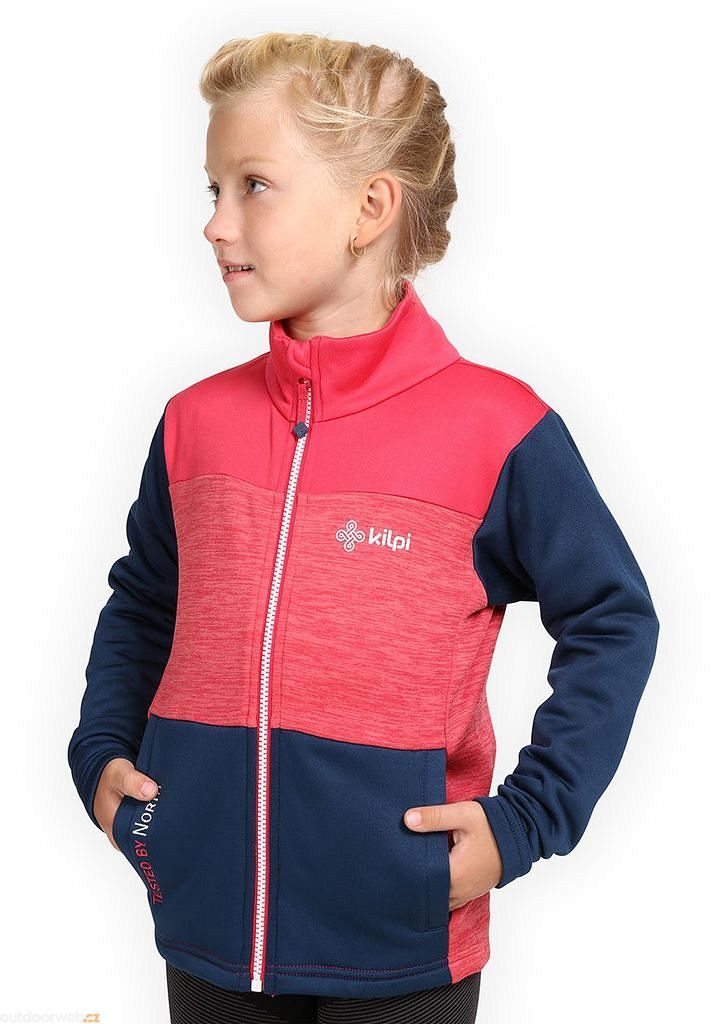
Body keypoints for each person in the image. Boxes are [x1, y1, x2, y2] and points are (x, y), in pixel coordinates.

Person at [67, 31, 660, 1024]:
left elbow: (613, 618)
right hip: (206, 922)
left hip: (403, 942)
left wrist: (524, 821)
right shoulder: (193, 425)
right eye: (211, 189)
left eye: (253, 185)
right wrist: (100, 755)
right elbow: (144, 602)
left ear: (369, 208)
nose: (215, 223)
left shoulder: (496, 431)